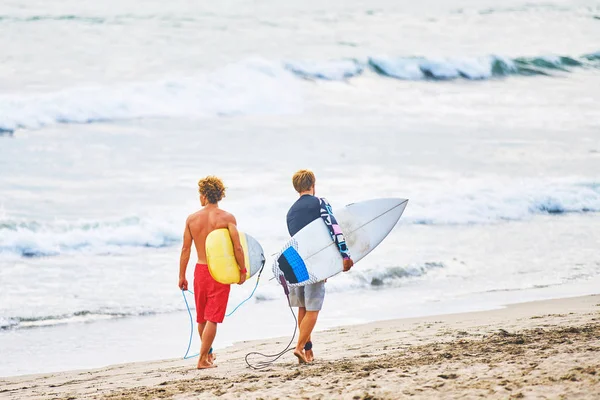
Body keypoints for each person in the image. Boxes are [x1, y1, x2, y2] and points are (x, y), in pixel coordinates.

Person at [178, 176, 247, 369]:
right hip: (219, 272)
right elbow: (237, 247)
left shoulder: (192, 219)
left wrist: (181, 275)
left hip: (200, 271)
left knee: (202, 317)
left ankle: (207, 356)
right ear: (219, 195)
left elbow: (185, 250)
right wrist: (242, 270)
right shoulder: (227, 218)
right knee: (213, 318)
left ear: (203, 196)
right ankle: (202, 359)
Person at [286, 169, 354, 364]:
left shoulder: (290, 212)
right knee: (313, 308)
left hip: (297, 263)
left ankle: (307, 350)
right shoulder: (320, 203)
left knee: (303, 308)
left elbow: (296, 240)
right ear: (312, 185)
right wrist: (344, 255)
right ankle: (299, 347)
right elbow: (334, 228)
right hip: (316, 262)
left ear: (296, 188)